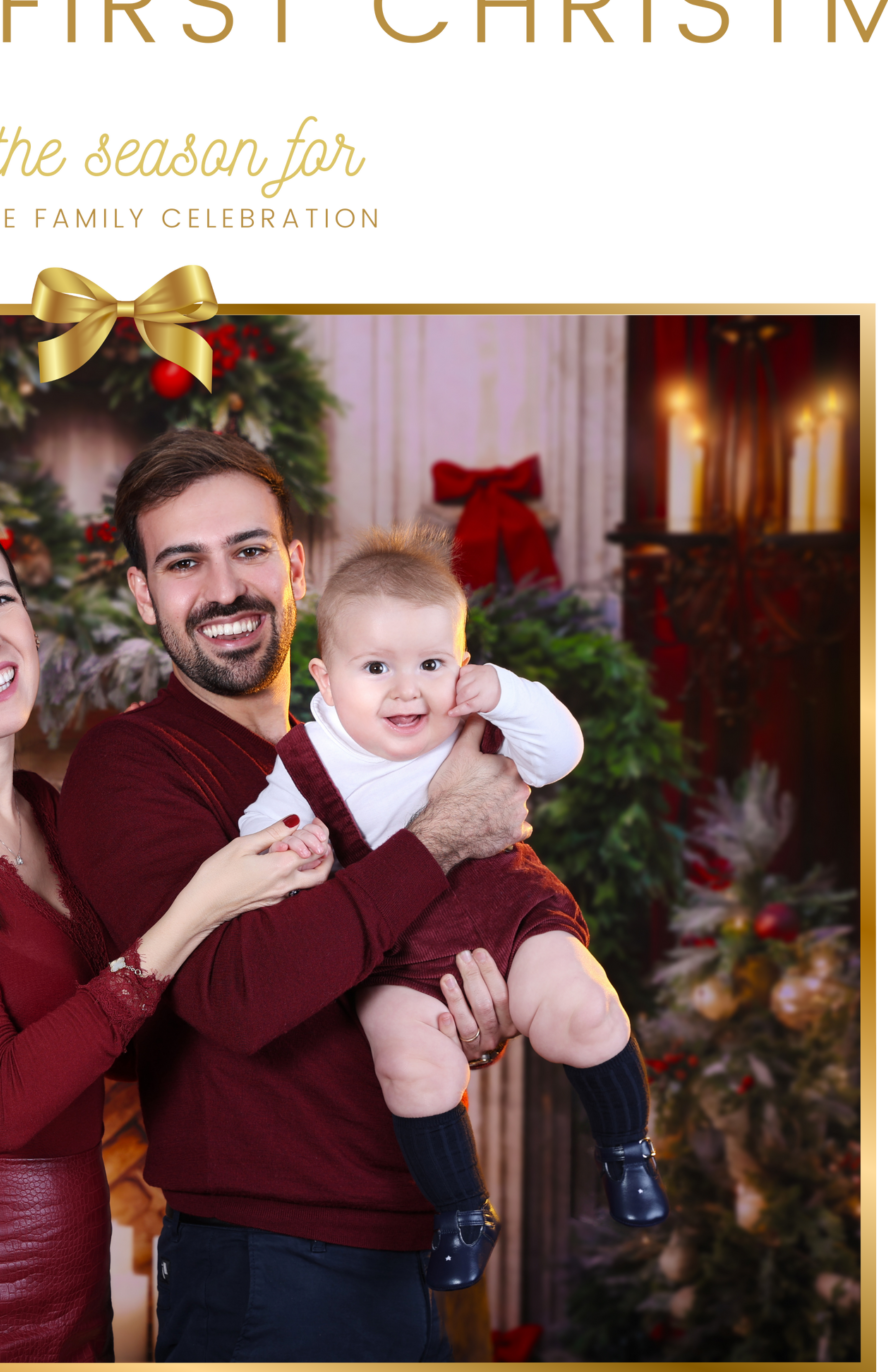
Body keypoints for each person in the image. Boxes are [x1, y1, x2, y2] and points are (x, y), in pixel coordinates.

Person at [0, 500, 334, 1363]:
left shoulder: (49, 810)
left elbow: (121, 1039)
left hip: (76, 1267)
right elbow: (3, 1100)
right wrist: (198, 908)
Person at [57, 429, 538, 1363]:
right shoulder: (133, 765)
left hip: (418, 1235)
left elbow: (468, 910)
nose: (225, 586)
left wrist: (480, 998)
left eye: (247, 549)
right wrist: (439, 837)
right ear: (141, 593)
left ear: (296, 567)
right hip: (269, 1268)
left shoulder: (373, 753)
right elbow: (237, 994)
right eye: (183, 562)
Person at [237, 522, 667, 1294]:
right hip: (398, 955)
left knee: (585, 1014)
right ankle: (464, 1211)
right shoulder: (308, 762)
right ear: (325, 680)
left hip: (509, 909)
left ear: (461, 666)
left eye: (431, 663)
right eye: (375, 668)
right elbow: (256, 836)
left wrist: (510, 694)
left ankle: (628, 1147)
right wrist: (292, 853)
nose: (407, 690)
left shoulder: (471, 720)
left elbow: (562, 753)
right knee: (411, 1068)